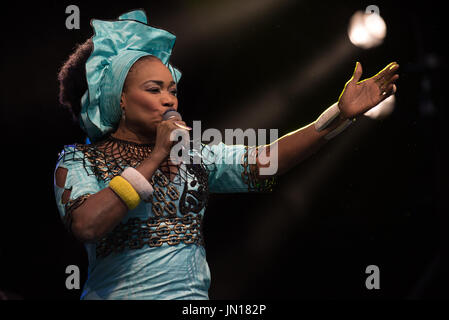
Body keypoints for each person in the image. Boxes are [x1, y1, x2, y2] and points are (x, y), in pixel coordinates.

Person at [54, 9, 399, 300]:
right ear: (120, 99)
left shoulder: (194, 156)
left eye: (172, 90)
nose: (169, 99)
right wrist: (157, 155)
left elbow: (267, 162)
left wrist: (338, 115)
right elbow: (86, 224)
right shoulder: (80, 160)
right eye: (154, 89)